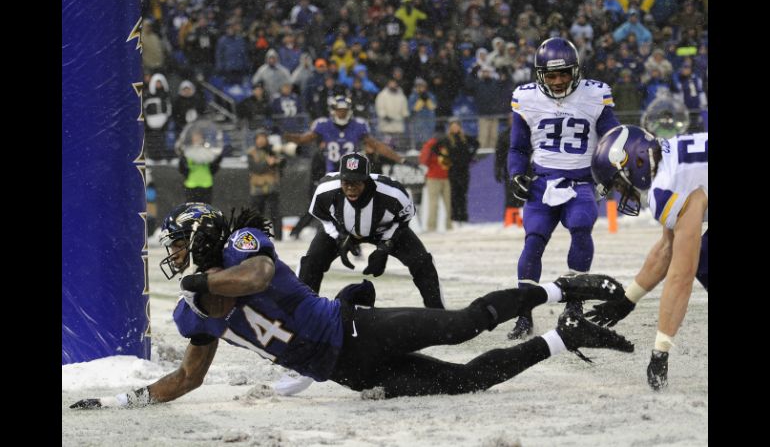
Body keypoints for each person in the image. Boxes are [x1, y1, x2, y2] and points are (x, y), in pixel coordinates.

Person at [70, 202, 633, 409]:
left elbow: (258, 275)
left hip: (355, 329)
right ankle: (567, 337)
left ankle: (562, 288)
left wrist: (201, 282)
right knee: (467, 382)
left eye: (176, 243)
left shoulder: (245, 251)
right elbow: (188, 378)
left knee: (462, 326)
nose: (171, 255)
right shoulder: (191, 314)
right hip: (346, 373)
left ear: (200, 237)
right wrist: (125, 399)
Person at [506, 37, 621, 340]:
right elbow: (517, 147)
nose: (558, 82)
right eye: (551, 75)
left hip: (581, 181)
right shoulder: (526, 98)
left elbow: (613, 138)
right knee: (533, 241)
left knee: (581, 228)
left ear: (576, 71)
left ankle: (574, 307)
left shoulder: (596, 95)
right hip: (542, 183)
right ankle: (523, 314)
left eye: (564, 74)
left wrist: (612, 170)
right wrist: (517, 174)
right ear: (539, 75)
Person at [587, 125, 708, 391]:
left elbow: (682, 273)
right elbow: (667, 249)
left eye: (618, 182)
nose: (621, 192)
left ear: (637, 159)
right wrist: (627, 300)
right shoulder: (672, 163)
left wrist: (661, 350)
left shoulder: (668, 185)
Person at [299, 152, 444, 309]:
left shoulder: (393, 194)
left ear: (366, 179)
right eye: (346, 181)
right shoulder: (325, 191)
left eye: (356, 182)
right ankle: (302, 313)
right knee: (311, 263)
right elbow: (323, 217)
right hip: (342, 228)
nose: (350, 188)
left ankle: (437, 313)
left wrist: (385, 245)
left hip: (383, 229)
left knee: (422, 262)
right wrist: (339, 236)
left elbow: (402, 221)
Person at [284, 95, 405, 173]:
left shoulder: (358, 125)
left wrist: (398, 158)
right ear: (333, 110)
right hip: (332, 172)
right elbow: (302, 139)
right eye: (339, 110)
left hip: (352, 171)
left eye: (344, 110)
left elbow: (377, 146)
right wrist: (286, 136)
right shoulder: (324, 124)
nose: (342, 113)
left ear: (349, 110)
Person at [439, 118, 480, 225]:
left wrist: (470, 156)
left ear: (460, 128)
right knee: (454, 194)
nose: (455, 128)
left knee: (463, 193)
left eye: (457, 126)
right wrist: (445, 156)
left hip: (464, 169)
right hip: (453, 170)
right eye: (453, 126)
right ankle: (455, 217)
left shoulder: (465, 138)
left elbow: (477, 144)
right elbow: (435, 148)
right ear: (450, 128)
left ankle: (463, 216)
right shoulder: (447, 139)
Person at [246, 128, 284, 240]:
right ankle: (256, 237)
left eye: (263, 138)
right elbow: (256, 169)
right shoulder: (251, 153)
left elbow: (281, 166)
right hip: (257, 188)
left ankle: (278, 237)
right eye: (259, 138)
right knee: (256, 215)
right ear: (255, 140)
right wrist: (268, 163)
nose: (261, 141)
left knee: (275, 214)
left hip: (272, 187)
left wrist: (278, 162)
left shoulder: (273, 150)